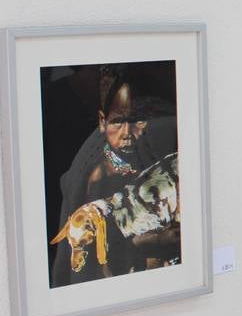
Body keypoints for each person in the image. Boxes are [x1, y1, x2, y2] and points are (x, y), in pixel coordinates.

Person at [50, 64, 179, 286]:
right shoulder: (101, 167)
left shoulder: (159, 136)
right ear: (102, 120)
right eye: (117, 122)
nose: (126, 133)